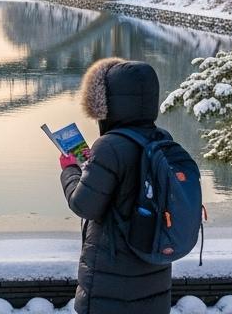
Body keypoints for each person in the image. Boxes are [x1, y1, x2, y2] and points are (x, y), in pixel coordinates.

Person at [57, 57, 172, 314]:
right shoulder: (162, 140)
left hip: (112, 277)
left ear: (107, 102)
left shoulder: (109, 146)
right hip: (154, 267)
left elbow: (83, 205)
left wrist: (70, 170)